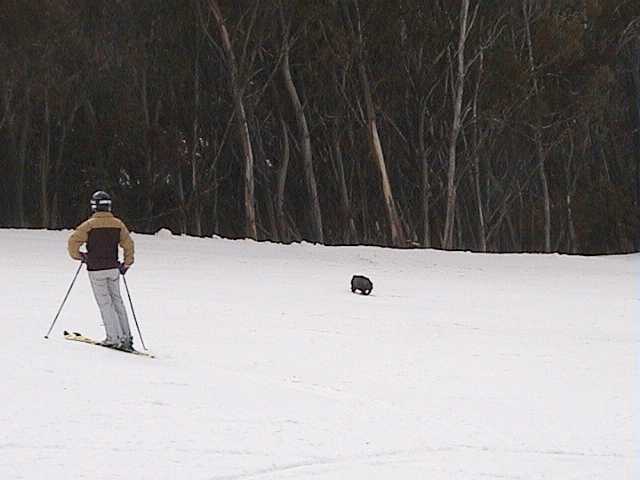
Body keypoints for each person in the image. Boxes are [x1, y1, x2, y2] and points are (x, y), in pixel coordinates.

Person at [68, 191, 135, 351]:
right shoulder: (118, 224)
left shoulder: (89, 225)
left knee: (105, 303)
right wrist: (126, 264)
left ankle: (113, 338)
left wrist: (81, 257)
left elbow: (73, 242)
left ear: (94, 206)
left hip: (96, 269)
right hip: (113, 269)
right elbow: (129, 245)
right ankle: (126, 337)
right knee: (118, 302)